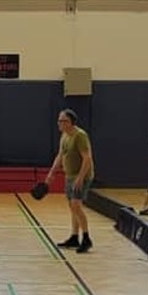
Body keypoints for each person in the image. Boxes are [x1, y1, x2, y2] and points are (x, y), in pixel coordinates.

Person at [44, 109, 95, 254]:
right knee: (72, 207)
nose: (59, 123)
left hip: (82, 176)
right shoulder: (64, 135)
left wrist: (80, 177)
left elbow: (87, 158)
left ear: (70, 122)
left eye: (62, 120)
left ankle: (86, 238)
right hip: (70, 175)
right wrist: (52, 173)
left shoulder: (80, 136)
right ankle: (74, 237)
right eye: (59, 120)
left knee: (76, 205)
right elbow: (60, 155)